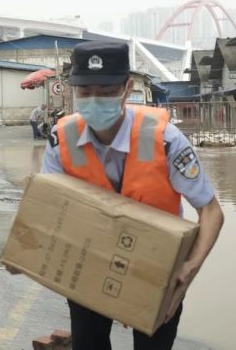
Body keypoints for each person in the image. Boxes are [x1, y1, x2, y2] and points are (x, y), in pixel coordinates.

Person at [38, 41, 224, 350]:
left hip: (158, 272)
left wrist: (191, 267)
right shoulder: (62, 139)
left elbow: (211, 210)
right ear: (72, 91)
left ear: (128, 88)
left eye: (107, 91)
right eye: (85, 93)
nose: (95, 101)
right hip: (90, 265)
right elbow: (48, 205)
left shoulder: (165, 139)